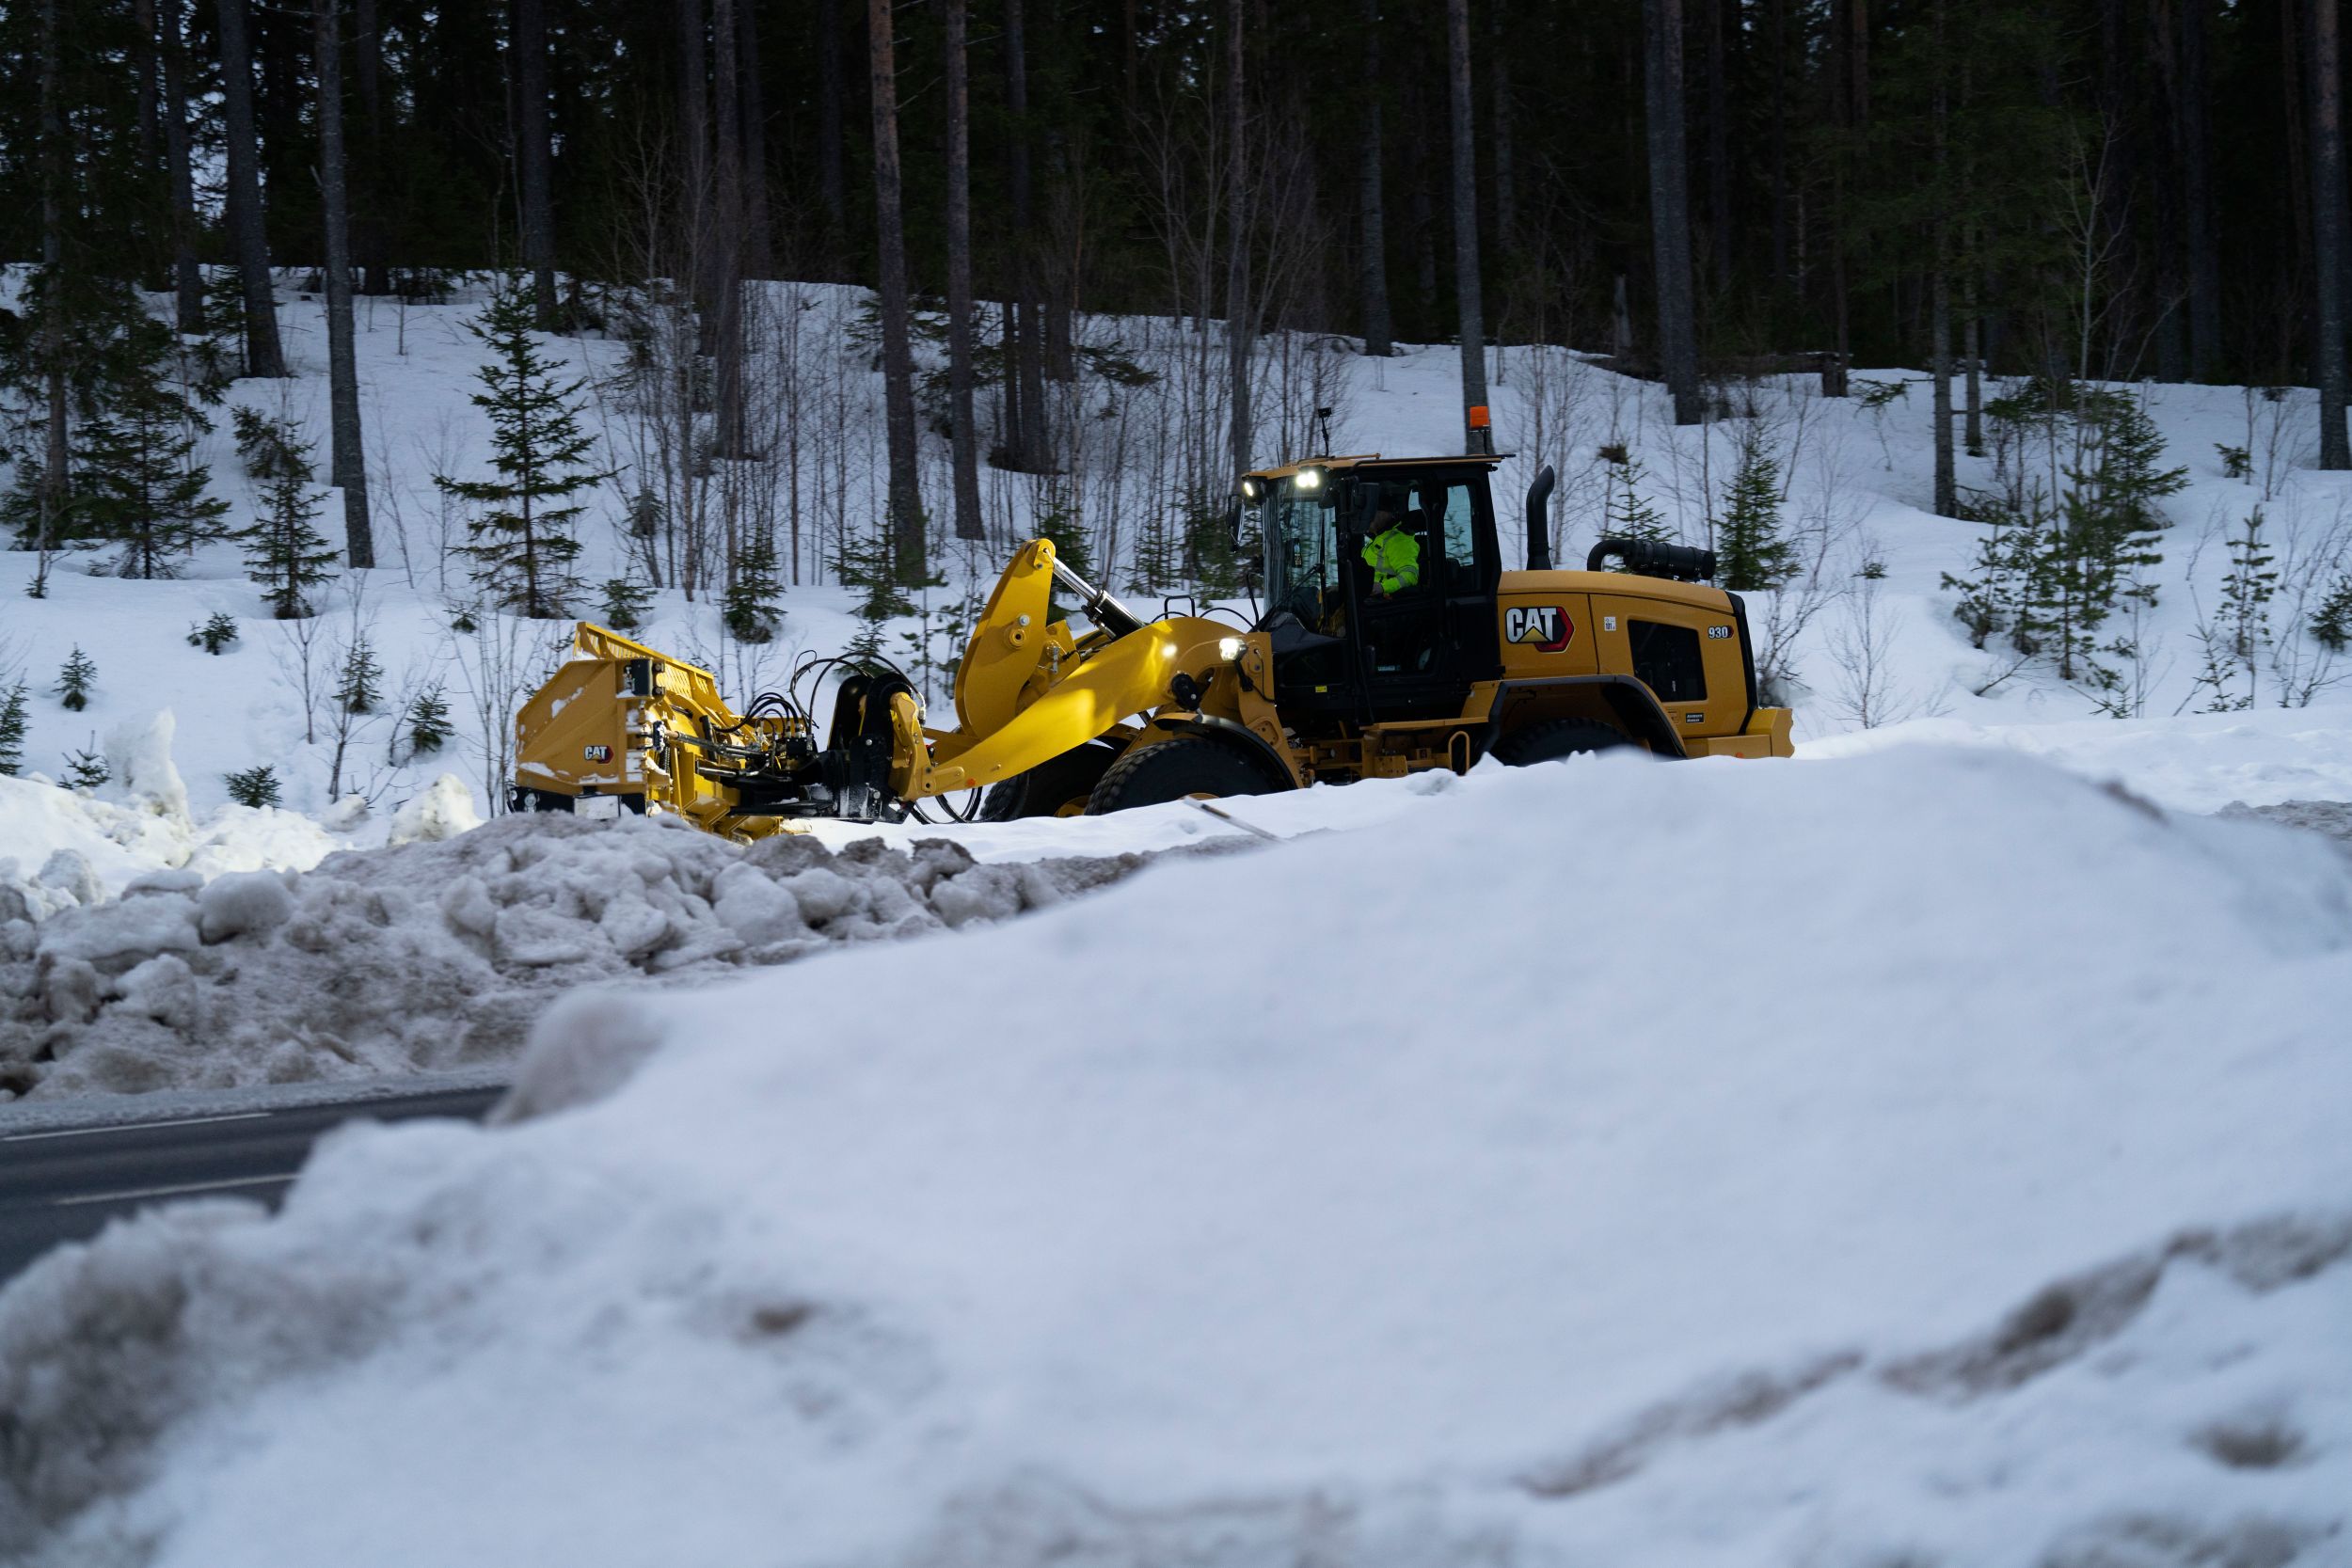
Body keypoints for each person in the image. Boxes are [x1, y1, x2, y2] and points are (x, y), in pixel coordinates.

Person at [1361, 507, 1422, 597]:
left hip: (1384, 601)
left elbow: (1410, 576)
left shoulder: (1399, 541)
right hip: (1367, 596)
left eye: (1372, 510)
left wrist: (1383, 587)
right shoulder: (1375, 540)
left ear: (1385, 513)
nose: (1366, 516)